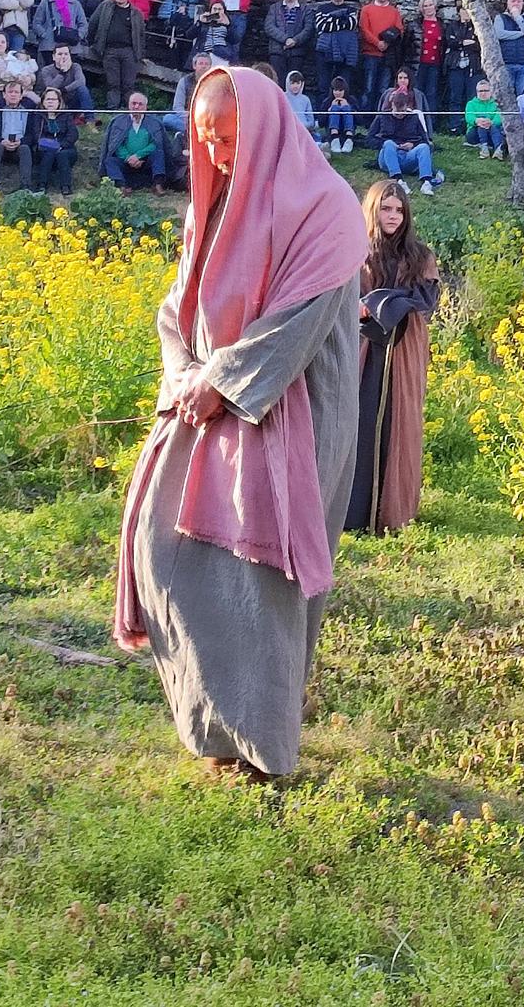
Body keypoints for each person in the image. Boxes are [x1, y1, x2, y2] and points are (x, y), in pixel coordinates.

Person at [114, 66, 366, 779]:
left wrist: (222, 381)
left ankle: (264, 748)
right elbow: (177, 306)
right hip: (210, 409)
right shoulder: (213, 202)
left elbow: (300, 322)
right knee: (165, 554)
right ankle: (215, 731)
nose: (217, 154)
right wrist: (188, 375)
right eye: (205, 139)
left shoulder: (326, 208)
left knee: (262, 580)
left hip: (295, 416)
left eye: (227, 138)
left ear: (263, 127)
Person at [344, 179, 441, 535]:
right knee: (358, 421)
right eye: (386, 208)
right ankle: (351, 513)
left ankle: (392, 513)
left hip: (403, 348)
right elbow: (340, 297)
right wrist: (359, 308)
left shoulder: (419, 256)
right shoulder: (354, 251)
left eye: (399, 210)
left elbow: (426, 299)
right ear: (372, 209)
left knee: (399, 424)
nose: (393, 216)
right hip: (363, 347)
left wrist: (394, 304)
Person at [88, 0, 147, 112]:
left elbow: (141, 35)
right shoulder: (105, 6)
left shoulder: (136, 13)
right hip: (109, 50)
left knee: (129, 84)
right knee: (112, 82)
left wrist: (140, 54)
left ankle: (130, 110)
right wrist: (92, 43)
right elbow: (93, 23)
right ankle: (112, 109)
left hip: (129, 51)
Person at [372, 89, 443, 195]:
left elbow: (425, 140)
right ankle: (398, 180)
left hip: (408, 157)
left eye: (403, 112)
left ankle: (426, 182)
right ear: (392, 105)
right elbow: (369, 139)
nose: (400, 115)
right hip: (388, 157)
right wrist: (388, 144)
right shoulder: (383, 116)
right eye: (397, 112)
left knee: (424, 147)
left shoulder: (414, 118)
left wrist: (413, 145)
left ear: (407, 106)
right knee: (388, 143)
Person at [102, 90, 169, 190]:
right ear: (129, 105)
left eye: (140, 104)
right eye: (134, 103)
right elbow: (116, 145)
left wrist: (139, 156)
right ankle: (121, 187)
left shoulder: (154, 123)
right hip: (125, 162)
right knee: (110, 160)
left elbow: (155, 144)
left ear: (145, 107)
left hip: (145, 162)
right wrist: (129, 158)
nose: (136, 107)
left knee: (158, 153)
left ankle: (158, 185)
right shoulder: (118, 122)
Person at [0, 79, 39, 195]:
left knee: (25, 148)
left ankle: (26, 186)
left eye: (16, 92)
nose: (13, 94)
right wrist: (1, 141)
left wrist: (21, 141)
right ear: (4, 94)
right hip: (0, 145)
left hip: (20, 145)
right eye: (10, 92)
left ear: (21, 95)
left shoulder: (30, 111)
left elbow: (33, 134)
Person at [358, 0, 405, 113]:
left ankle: (381, 115)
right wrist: (377, 43)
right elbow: (364, 29)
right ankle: (365, 118)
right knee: (368, 87)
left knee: (383, 89)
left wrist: (387, 43)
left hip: (388, 56)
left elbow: (399, 29)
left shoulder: (394, 12)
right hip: (370, 54)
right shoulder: (366, 9)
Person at [32, 86, 80, 194]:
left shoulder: (66, 115)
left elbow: (73, 134)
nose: (50, 102)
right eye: (48, 99)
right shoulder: (38, 115)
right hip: (44, 148)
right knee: (49, 153)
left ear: (59, 101)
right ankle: (42, 186)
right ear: (43, 102)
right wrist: (48, 145)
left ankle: (66, 186)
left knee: (62, 154)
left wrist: (61, 145)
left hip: (65, 147)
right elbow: (36, 134)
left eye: (53, 99)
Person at [492, 0, 524, 98]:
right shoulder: (500, 18)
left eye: (518, 1)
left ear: (522, 4)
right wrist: (521, 33)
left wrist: (518, 17)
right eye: (513, 1)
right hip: (506, 64)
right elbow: (499, 34)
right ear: (508, 4)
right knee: (506, 97)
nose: (516, 4)